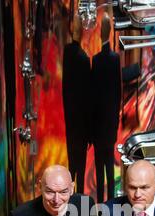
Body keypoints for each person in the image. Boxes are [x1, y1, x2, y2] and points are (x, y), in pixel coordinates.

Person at [91, 13, 121, 202]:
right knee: (107, 167)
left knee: (103, 167)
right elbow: (116, 95)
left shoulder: (99, 59)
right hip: (107, 126)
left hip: (101, 126)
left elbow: (95, 98)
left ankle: (104, 203)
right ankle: (108, 203)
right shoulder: (113, 59)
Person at [62, 14, 91, 193]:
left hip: (70, 117)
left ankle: (71, 195)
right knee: (79, 165)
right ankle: (77, 198)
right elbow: (88, 99)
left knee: (72, 163)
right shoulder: (83, 58)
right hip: (80, 120)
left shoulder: (68, 53)